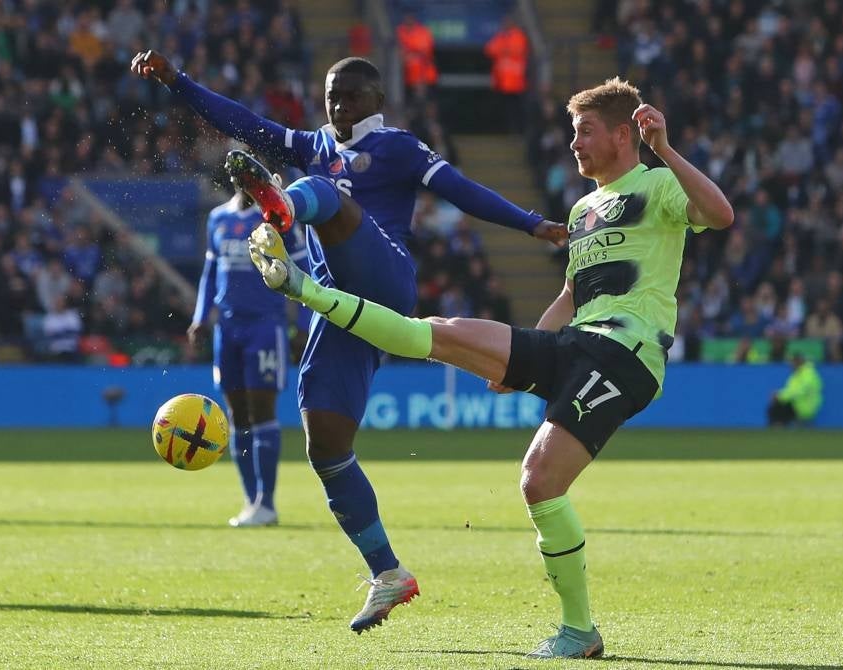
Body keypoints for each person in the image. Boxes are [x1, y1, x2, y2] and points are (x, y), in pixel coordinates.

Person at [243, 77, 733, 658]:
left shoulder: (657, 183)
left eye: (585, 132)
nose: (573, 144)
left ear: (624, 135)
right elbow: (574, 294)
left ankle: (580, 632)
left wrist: (667, 151)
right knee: (440, 333)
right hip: (576, 344)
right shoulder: (582, 210)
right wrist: (519, 357)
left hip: (626, 357)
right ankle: (302, 288)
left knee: (539, 482)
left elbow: (720, 214)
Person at [131, 50, 566, 633]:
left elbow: (462, 190)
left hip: (386, 279)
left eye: (353, 96)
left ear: (377, 101)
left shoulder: (399, 148)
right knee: (324, 445)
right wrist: (178, 83)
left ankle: (281, 211)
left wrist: (530, 223)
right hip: (338, 308)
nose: (340, 106)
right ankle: (387, 571)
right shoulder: (314, 142)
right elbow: (242, 123)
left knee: (323, 192)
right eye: (333, 95)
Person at [189, 185, 309, 527]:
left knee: (262, 409)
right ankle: (250, 501)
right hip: (227, 329)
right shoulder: (218, 218)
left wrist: (302, 322)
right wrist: (200, 318)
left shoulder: (276, 219)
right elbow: (210, 274)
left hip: (265, 326)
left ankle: (267, 502)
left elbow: (302, 266)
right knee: (236, 414)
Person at [484, 15, 530, 132]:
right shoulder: (501, 36)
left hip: (516, 83)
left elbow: (517, 50)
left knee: (517, 110)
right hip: (502, 82)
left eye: (508, 22)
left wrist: (503, 48)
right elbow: (489, 49)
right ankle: (505, 130)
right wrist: (504, 48)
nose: (506, 24)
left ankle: (518, 131)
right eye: (504, 22)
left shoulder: (518, 35)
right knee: (503, 110)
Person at [767, 352, 823, 426]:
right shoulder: (796, 374)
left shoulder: (808, 373)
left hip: (805, 406)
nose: (791, 365)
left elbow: (801, 391)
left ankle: (779, 428)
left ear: (798, 362)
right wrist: (779, 395)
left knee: (777, 408)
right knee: (774, 406)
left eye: (792, 362)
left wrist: (779, 395)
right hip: (797, 404)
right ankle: (779, 428)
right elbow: (790, 390)